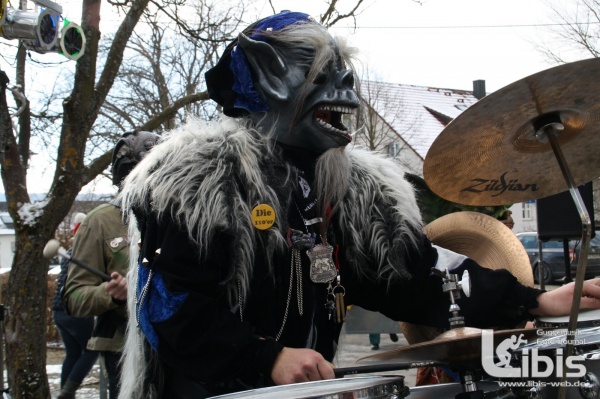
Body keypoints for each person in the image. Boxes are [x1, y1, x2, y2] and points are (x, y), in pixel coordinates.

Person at [118, 11, 600, 399]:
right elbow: (171, 308)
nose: (346, 89)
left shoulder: (352, 193)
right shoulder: (196, 183)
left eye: (345, 75)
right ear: (269, 81)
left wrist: (530, 299)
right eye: (322, 75)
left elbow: (418, 278)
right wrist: (264, 358)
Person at [63, 130, 159, 399]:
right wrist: (110, 294)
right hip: (122, 348)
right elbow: (74, 297)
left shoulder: (177, 217)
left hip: (176, 344)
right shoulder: (99, 222)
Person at [52, 213, 99, 399]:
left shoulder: (69, 253)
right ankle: (68, 390)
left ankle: (65, 393)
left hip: (58, 311)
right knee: (92, 349)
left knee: (72, 353)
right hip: (76, 309)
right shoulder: (84, 252)